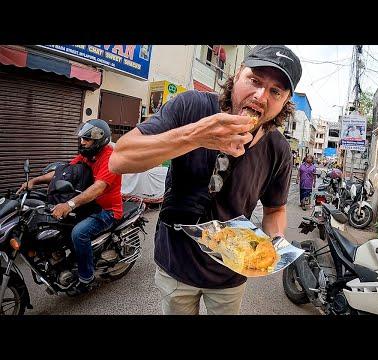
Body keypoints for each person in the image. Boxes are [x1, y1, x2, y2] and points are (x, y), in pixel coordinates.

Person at [109, 45, 302, 315]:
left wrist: (276, 242)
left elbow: (275, 209)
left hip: (230, 274)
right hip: (176, 262)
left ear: (285, 102)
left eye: (275, 91)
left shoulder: (278, 150)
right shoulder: (192, 107)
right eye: (255, 80)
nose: (260, 96)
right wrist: (194, 137)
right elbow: (120, 159)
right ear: (237, 75)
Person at [17, 119, 123, 296]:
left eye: (86, 139)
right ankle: (67, 261)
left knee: (79, 233)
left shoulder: (111, 159)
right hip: (89, 206)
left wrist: (69, 204)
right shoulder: (87, 155)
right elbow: (64, 171)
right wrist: (34, 181)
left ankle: (86, 278)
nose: (82, 142)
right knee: (57, 224)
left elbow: (98, 188)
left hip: (107, 210)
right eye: (82, 139)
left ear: (99, 140)